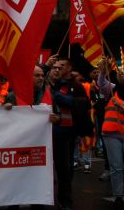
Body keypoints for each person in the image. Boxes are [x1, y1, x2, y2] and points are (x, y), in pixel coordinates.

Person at [50, 57, 92, 210]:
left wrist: (62, 98)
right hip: (48, 133)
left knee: (65, 168)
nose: (58, 68)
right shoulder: (50, 84)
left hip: (67, 133)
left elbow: (84, 103)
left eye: (61, 66)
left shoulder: (76, 86)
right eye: (56, 66)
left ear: (69, 68)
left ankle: (65, 199)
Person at [97, 58, 124, 205]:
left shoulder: (116, 97)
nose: (122, 75)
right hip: (111, 133)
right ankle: (118, 195)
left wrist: (120, 105)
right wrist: (103, 70)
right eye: (120, 73)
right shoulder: (113, 90)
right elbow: (101, 83)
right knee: (116, 166)